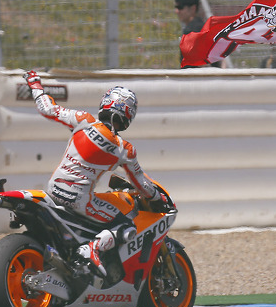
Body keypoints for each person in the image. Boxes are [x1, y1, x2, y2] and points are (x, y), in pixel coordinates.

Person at [23, 70, 169, 277]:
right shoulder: (124, 149)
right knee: (127, 226)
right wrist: (156, 196)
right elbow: (140, 183)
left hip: (54, 189)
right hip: (79, 200)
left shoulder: (83, 120)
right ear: (127, 112)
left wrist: (35, 84)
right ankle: (93, 249)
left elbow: (47, 108)